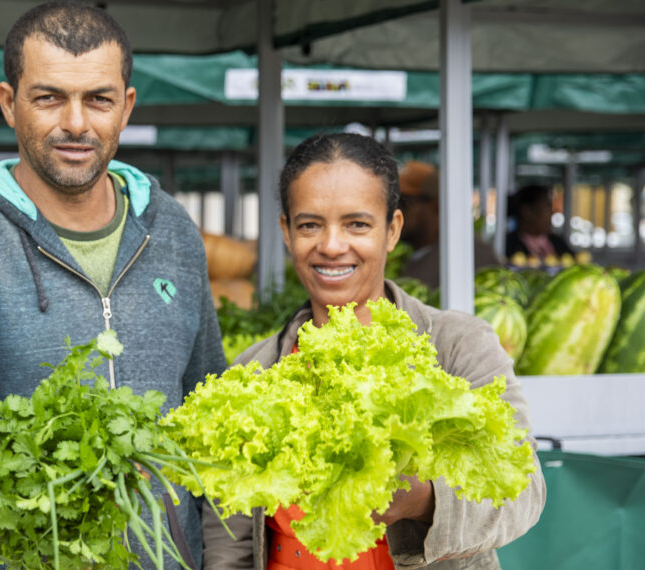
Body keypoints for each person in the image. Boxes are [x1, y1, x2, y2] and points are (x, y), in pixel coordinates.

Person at [0, 1, 226, 568]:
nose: (76, 122)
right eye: (49, 97)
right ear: (9, 103)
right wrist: (54, 527)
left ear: (125, 107)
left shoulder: (170, 229)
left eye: (97, 99)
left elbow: (210, 403)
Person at [202, 133, 546, 570]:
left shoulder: (457, 345)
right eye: (310, 224)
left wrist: (422, 500)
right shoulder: (254, 370)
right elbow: (228, 537)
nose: (331, 245)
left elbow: (522, 491)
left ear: (392, 230)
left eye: (356, 224)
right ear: (286, 232)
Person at [397, 161, 500, 289]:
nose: (395, 213)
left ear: (435, 206)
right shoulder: (404, 255)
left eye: (403, 203)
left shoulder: (470, 255)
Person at [505, 184, 573, 262]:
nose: (552, 213)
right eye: (547, 206)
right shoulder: (509, 246)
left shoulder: (559, 243)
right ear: (527, 212)